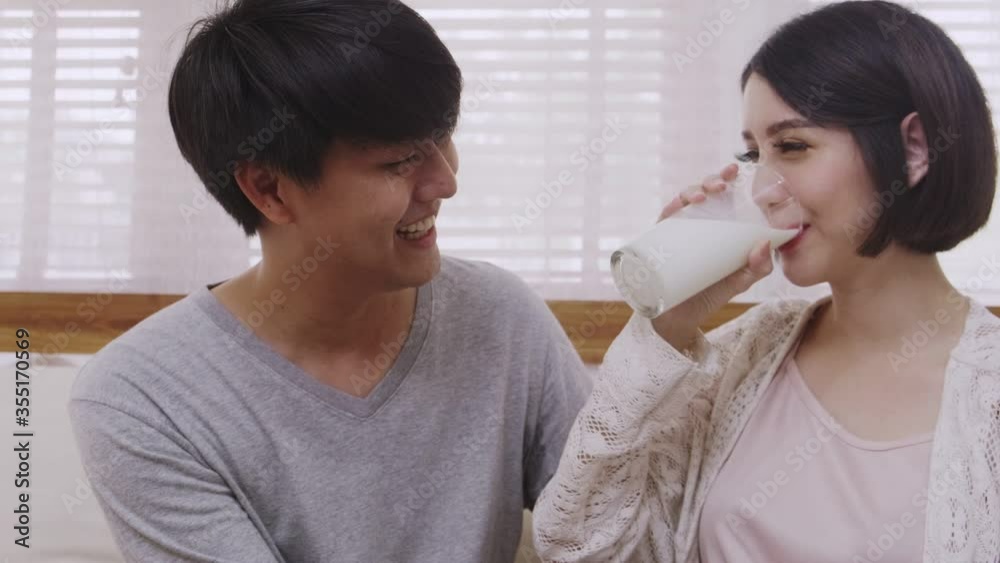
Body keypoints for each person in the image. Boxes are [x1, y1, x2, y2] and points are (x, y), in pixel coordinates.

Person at [68, 1, 592, 561]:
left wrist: (655, 344)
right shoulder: (143, 399)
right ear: (269, 190)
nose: (445, 182)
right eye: (399, 162)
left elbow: (612, 535)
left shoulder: (500, 317)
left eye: (443, 138)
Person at [533, 1, 999, 561]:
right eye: (754, 154)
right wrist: (667, 324)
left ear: (914, 149)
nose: (761, 191)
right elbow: (573, 546)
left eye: (793, 147)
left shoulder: (987, 396)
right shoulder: (741, 359)